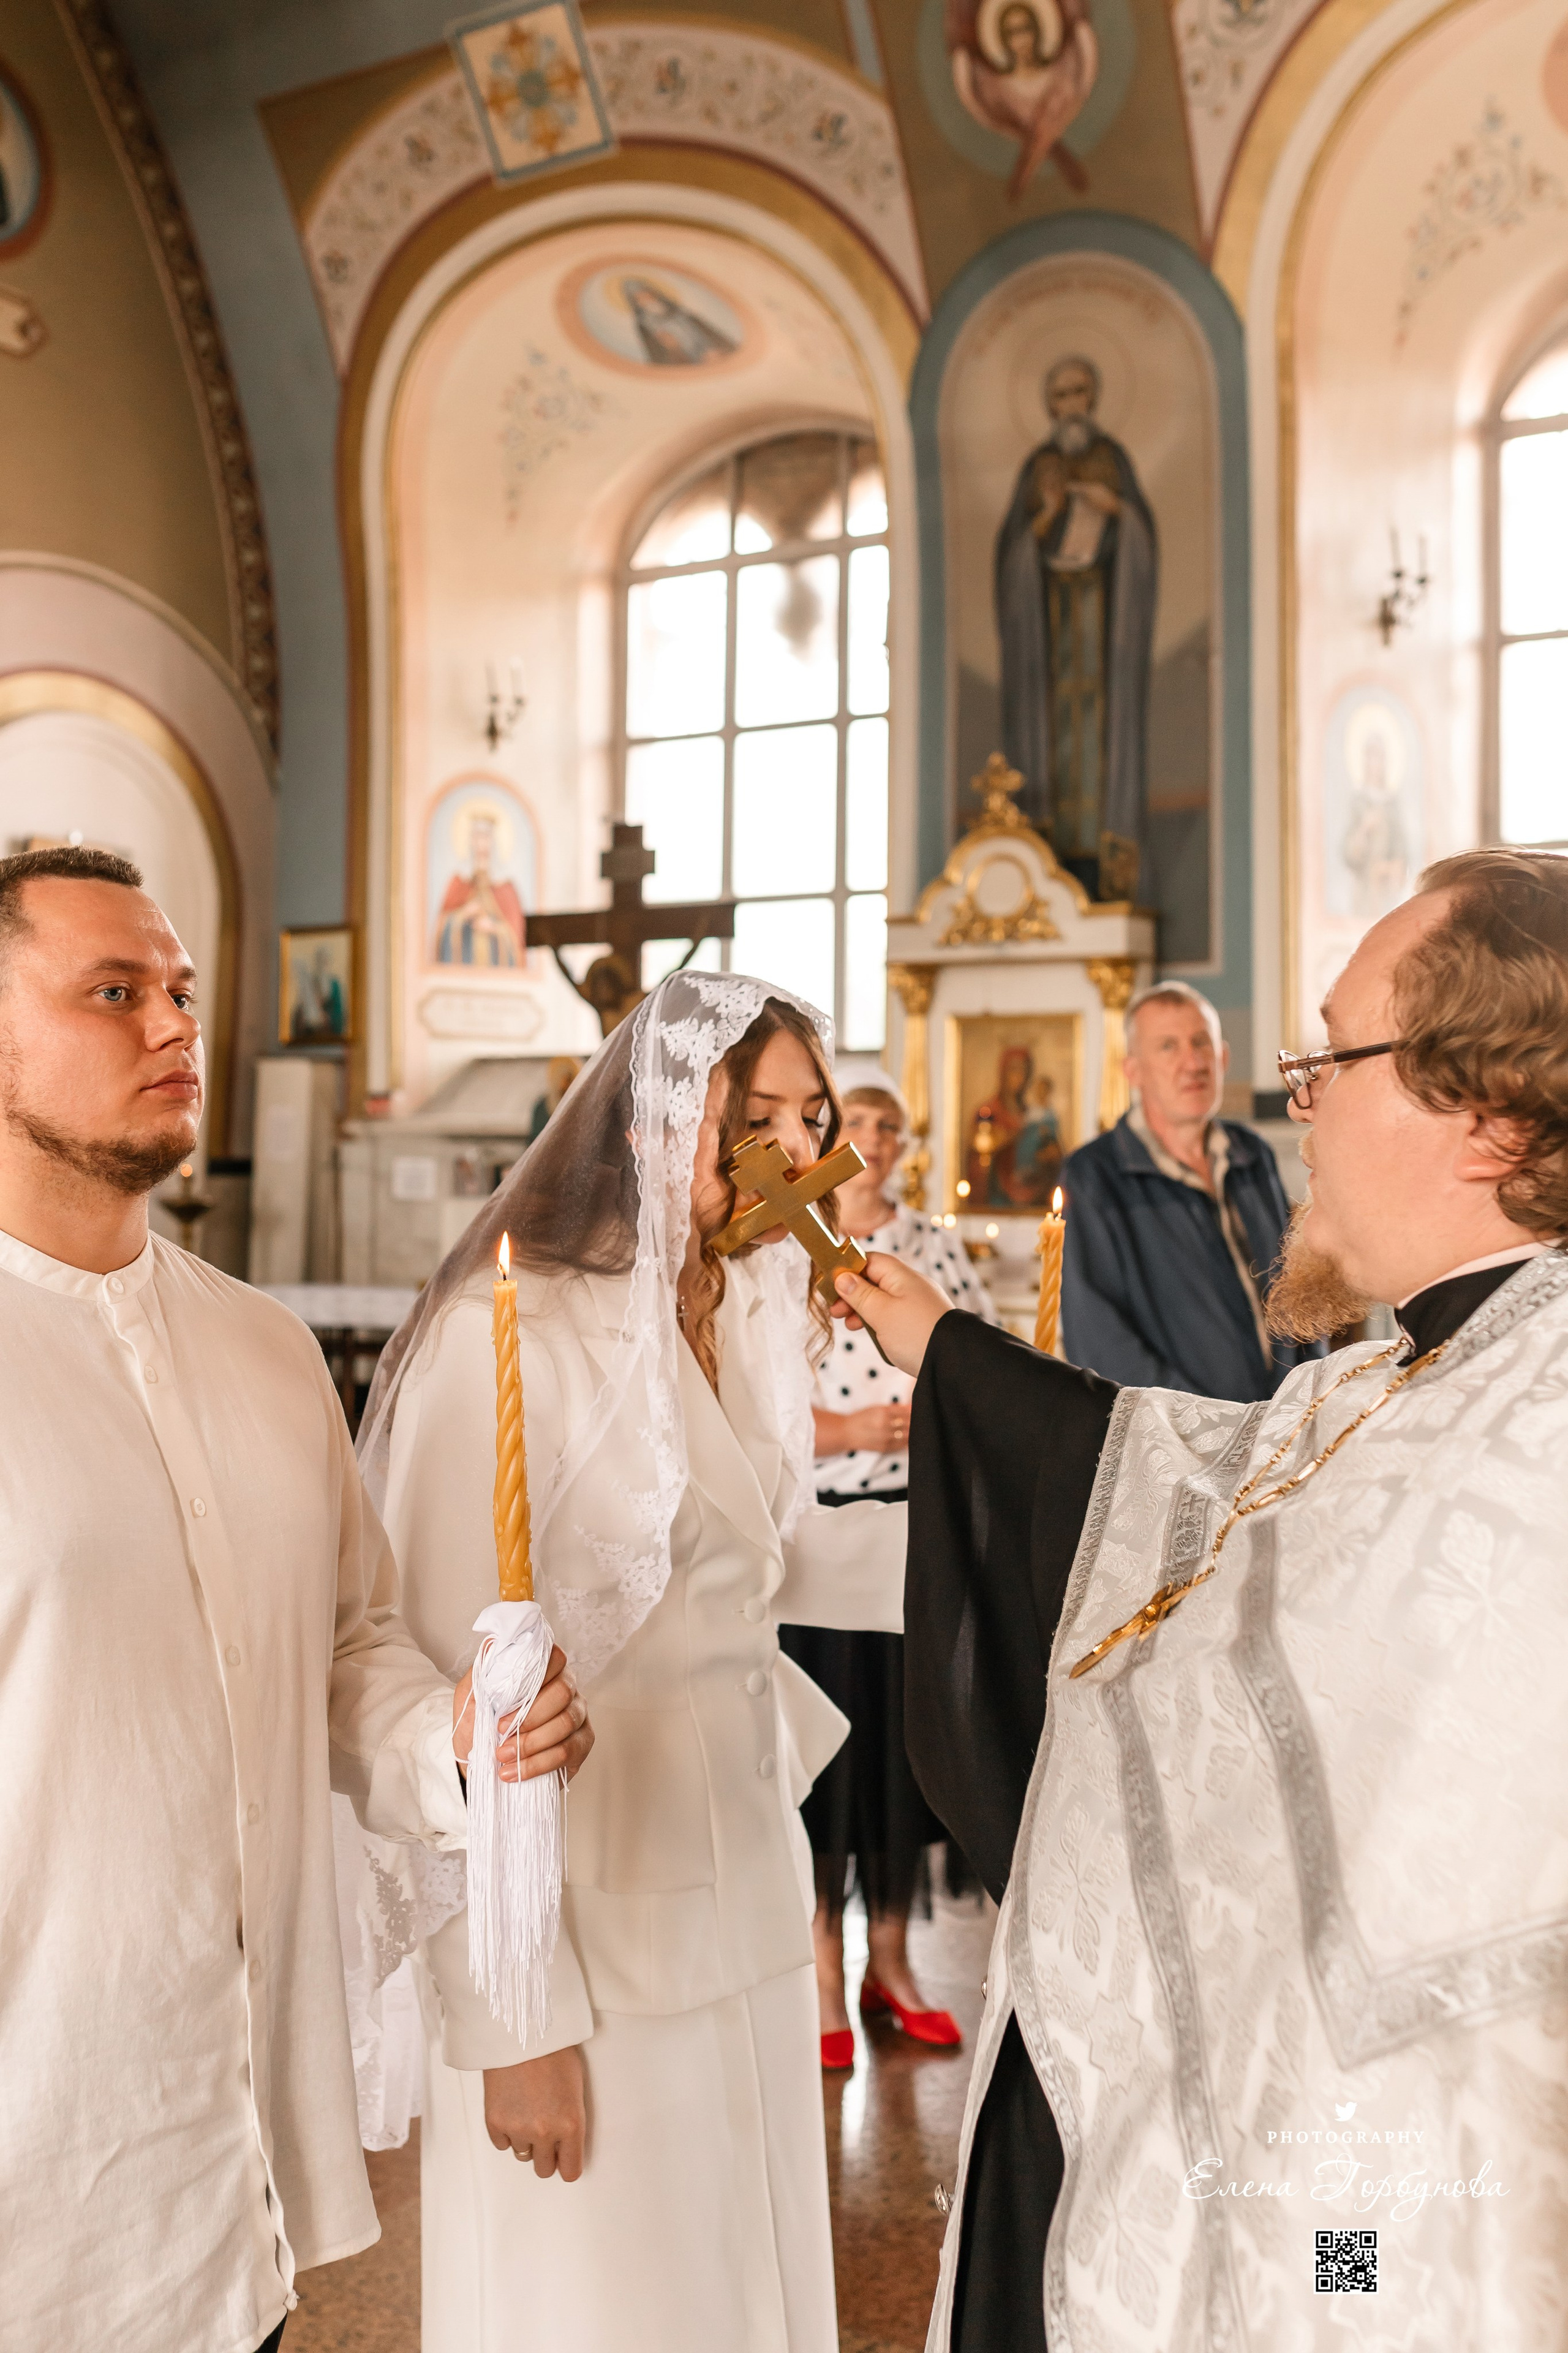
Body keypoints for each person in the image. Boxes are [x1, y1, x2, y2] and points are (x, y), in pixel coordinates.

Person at [834, 847, 1568, 2351]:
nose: (1291, 1106)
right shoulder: (1416, 1368)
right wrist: (951, 1360)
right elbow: (1185, 1466)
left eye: (1327, 1059)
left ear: (1484, 1115)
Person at [0, 847, 591, 2353]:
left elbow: (345, 1643)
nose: (173, 1028)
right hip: (33, 2168)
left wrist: (455, 1742)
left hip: (224, 2167)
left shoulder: (264, 1352)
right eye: (113, 992)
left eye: (182, 991)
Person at [355, 973, 907, 2353]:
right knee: (609, 2312)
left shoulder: (724, 1314)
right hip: (586, 1955)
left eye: (811, 1117)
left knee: (746, 2296)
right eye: (756, 1116)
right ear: (666, 1125)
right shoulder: (516, 1336)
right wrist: (509, 2020)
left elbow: (747, 1573)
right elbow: (443, 1687)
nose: (796, 1152)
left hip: (742, 1910)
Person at [780, 1063, 997, 2069]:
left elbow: (980, 1361)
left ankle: (894, 1961)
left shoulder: (936, 1249)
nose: (871, 1136)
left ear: (907, 1146)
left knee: (909, 1763)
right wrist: (852, 1426)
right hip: (823, 1530)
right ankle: (822, 1965)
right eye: (853, 1120)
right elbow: (757, 1400)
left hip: (918, 1528)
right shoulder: (788, 1248)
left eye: (889, 1124)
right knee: (835, 1764)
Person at [1061, 978, 1325, 1397]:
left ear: (1222, 1057)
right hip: (1180, 1445)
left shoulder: (1252, 1154)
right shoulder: (1095, 1174)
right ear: (1133, 1071)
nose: (1193, 1062)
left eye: (1201, 1043)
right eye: (1168, 1046)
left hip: (1281, 1429)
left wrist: (1314, 1399)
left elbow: (1297, 1288)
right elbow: (1099, 1339)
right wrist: (1204, 1430)